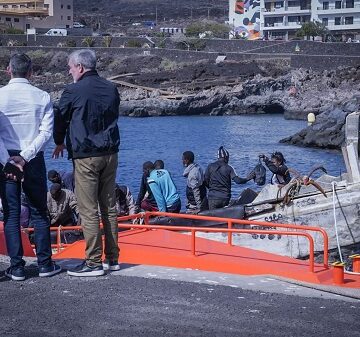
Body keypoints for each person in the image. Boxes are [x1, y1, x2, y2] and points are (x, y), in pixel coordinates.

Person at [53, 49, 120, 276]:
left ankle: (93, 263)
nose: (69, 71)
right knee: (109, 208)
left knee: (88, 209)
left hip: (86, 156)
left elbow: (60, 117)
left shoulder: (73, 90)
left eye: (70, 67)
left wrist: (58, 141)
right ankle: (112, 258)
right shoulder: (111, 88)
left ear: (80, 67)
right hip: (110, 153)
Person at [0, 53, 61, 281]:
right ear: (31, 72)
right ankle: (45, 264)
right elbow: (46, 133)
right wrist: (25, 157)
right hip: (33, 159)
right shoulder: (42, 96)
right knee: (39, 212)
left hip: (5, 159)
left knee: (11, 213)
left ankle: (17, 268)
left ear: (9, 70)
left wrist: (8, 158)